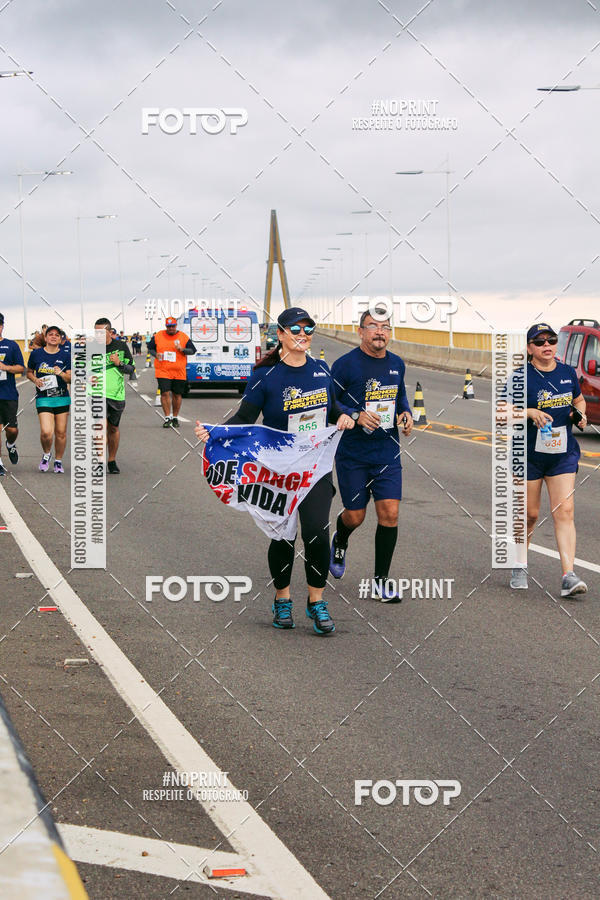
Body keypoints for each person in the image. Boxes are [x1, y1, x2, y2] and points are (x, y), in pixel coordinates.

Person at [195, 307, 354, 635]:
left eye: (308, 330)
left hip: (314, 468)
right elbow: (244, 418)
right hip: (277, 470)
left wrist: (344, 417)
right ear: (280, 334)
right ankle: (282, 598)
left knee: (315, 531)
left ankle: (316, 601)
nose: (303, 336)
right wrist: (216, 433)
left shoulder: (322, 371)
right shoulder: (265, 376)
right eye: (295, 330)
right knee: (283, 534)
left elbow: (335, 408)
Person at [328, 309, 413, 602]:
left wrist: (406, 413)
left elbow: (399, 396)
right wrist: (354, 414)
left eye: (385, 327)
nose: (380, 332)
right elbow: (329, 402)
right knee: (355, 516)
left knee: (389, 514)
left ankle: (380, 582)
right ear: (360, 331)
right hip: (352, 453)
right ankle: (340, 540)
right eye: (373, 326)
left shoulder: (396, 364)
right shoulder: (345, 365)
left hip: (386, 452)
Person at [510, 323, 588, 598]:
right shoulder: (520, 377)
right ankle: (519, 563)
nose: (547, 346)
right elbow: (503, 413)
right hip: (528, 455)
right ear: (530, 348)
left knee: (564, 511)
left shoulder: (567, 372)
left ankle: (569, 575)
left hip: (562, 455)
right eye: (540, 341)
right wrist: (529, 412)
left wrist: (580, 415)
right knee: (530, 515)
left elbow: (578, 401)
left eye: (551, 340)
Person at [91, 317, 135, 474]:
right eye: (96, 332)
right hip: (96, 393)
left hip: (116, 394)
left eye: (101, 332)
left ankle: (112, 460)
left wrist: (119, 363)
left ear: (110, 332)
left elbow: (131, 369)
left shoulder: (121, 346)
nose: (98, 335)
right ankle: (100, 461)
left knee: (113, 428)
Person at [26, 325, 71, 473]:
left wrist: (61, 374)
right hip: (44, 397)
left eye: (56, 335)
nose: (53, 337)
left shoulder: (65, 355)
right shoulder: (37, 354)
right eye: (50, 334)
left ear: (60, 338)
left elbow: (70, 378)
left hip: (62, 397)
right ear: (45, 338)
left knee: (61, 433)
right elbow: (29, 372)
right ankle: (46, 454)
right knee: (46, 432)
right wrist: (35, 380)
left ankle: (58, 461)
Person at [147, 316, 196, 428]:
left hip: (179, 371)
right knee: (164, 393)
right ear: (166, 326)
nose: (171, 329)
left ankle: (175, 417)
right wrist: (156, 354)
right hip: (163, 370)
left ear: (176, 326)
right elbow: (150, 348)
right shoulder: (158, 336)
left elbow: (192, 350)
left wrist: (182, 349)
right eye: (169, 327)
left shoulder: (183, 337)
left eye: (173, 326)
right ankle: (167, 417)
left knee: (177, 394)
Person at [0, 312, 25, 475]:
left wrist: (6, 367)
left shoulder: (12, 345)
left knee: (12, 430)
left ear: (1, 327)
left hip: (8, 394)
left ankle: (10, 445)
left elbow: (21, 368)